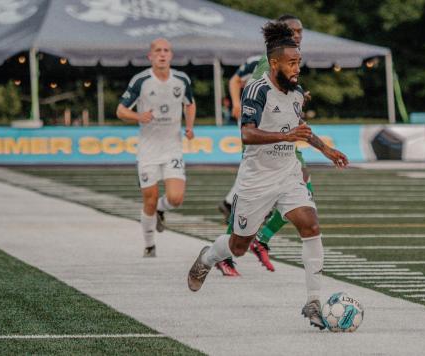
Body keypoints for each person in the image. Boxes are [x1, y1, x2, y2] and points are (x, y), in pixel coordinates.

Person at [187, 21, 349, 331]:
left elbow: (298, 129)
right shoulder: (256, 89)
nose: (296, 67)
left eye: (298, 61)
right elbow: (247, 134)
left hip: (288, 173)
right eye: (291, 62)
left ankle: (313, 300)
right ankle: (207, 258)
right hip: (256, 180)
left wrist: (325, 149)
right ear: (274, 63)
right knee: (238, 246)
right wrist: (285, 138)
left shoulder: (297, 92)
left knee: (310, 224)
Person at [217, 14, 311, 275]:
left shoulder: (291, 61)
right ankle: (244, 245)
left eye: (301, 31)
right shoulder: (264, 64)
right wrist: (236, 103)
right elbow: (253, 89)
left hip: (284, 135)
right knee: (290, 186)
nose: (299, 35)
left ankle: (258, 239)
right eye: (294, 30)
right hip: (268, 135)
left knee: (300, 186)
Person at [116, 38, 196, 257]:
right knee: (149, 199)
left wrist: (189, 127)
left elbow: (190, 103)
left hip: (172, 149)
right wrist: (138, 116)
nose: (162, 54)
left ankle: (163, 208)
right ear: (150, 56)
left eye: (166, 50)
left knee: (176, 199)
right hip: (148, 151)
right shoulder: (141, 81)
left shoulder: (181, 79)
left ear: (171, 55)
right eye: (157, 51)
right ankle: (150, 244)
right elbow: (121, 111)